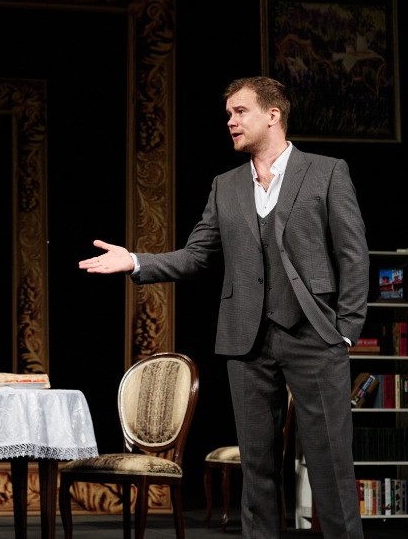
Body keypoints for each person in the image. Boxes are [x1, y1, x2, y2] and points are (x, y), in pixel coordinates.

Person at [78, 76, 367, 539]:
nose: (230, 121)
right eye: (228, 114)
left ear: (273, 115)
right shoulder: (226, 186)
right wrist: (135, 260)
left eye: (240, 111)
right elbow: (198, 256)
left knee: (330, 464)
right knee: (257, 469)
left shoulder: (326, 172)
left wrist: (346, 329)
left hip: (314, 334)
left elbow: (353, 254)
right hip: (246, 339)